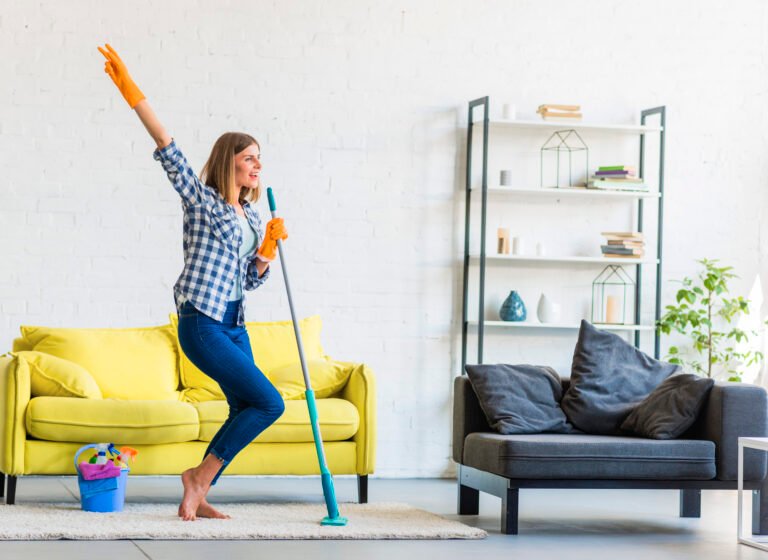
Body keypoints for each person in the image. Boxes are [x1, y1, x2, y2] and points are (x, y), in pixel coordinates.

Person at [97, 43, 289, 521]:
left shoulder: (251, 213)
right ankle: (197, 479)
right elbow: (168, 147)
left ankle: (199, 490)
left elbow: (246, 278)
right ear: (230, 162)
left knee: (245, 405)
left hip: (234, 323)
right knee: (269, 402)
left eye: (260, 158)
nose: (257, 165)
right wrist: (131, 91)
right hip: (202, 323)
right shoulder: (202, 200)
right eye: (250, 157)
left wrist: (264, 254)